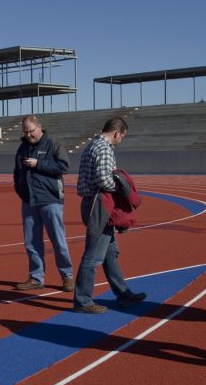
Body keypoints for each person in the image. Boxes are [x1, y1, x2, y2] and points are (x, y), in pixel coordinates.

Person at [72, 115, 146, 313]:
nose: (120, 140)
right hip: (98, 205)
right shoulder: (104, 148)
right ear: (116, 133)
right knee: (93, 255)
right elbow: (105, 181)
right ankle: (82, 300)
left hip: (94, 203)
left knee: (109, 253)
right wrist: (123, 188)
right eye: (122, 136)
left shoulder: (92, 145)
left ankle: (123, 294)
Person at [12, 115, 74, 292]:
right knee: (31, 242)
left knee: (58, 240)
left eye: (31, 131)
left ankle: (67, 276)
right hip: (29, 201)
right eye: (25, 132)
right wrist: (20, 191)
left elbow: (63, 167)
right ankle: (36, 277)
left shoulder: (53, 143)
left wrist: (38, 164)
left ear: (39, 127)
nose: (29, 135)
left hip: (50, 200)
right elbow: (17, 173)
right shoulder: (22, 147)